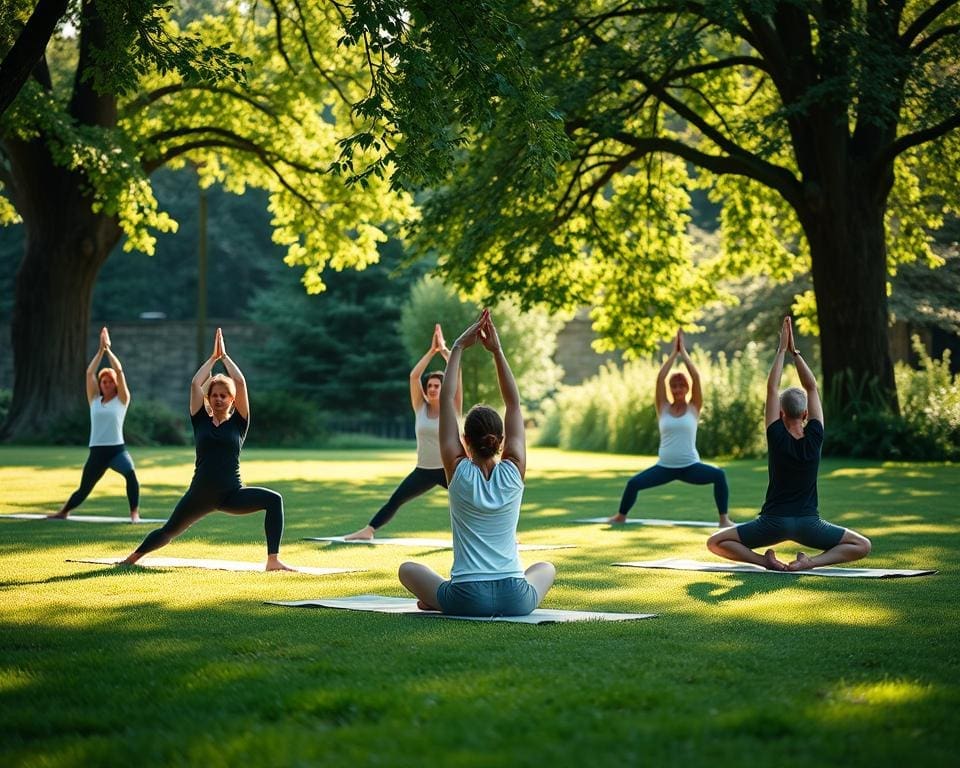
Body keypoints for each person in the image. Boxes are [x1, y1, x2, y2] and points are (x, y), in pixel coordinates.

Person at [398, 309, 556, 616]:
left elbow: (447, 400)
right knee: (545, 567)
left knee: (407, 569)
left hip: (466, 599)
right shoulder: (514, 470)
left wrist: (456, 347)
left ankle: (436, 599)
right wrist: (496, 351)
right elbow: (513, 403)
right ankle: (439, 597)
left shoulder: (457, 470)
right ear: (500, 439)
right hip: (516, 599)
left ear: (465, 440)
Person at [706, 317, 871, 571]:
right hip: (809, 525)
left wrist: (781, 350)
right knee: (863, 545)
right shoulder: (815, 436)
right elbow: (812, 388)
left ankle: (765, 562)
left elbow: (772, 388)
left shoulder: (776, 436)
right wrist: (796, 353)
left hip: (772, 523)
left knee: (716, 542)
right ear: (806, 415)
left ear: (781, 414)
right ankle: (809, 563)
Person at [123, 328, 292, 571]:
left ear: (232, 400)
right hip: (200, 494)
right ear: (209, 398)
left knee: (274, 500)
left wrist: (225, 357)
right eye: (215, 395)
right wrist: (212, 359)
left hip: (231, 494)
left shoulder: (239, 423)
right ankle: (130, 560)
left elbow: (241, 383)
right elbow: (195, 383)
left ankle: (273, 560)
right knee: (168, 531)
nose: (219, 399)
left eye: (224, 395)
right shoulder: (200, 420)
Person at [344, 324, 462, 540]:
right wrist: (431, 351)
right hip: (424, 470)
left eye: (437, 385)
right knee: (397, 499)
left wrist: (444, 350)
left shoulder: (452, 406)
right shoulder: (420, 408)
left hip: (450, 469)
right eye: (430, 386)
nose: (433, 388)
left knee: (474, 501)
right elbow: (414, 376)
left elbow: (457, 372)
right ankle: (368, 530)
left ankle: (504, 535)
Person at [607, 329, 730, 527]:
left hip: (690, 466)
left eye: (681, 386)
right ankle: (621, 516)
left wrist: (684, 354)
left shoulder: (694, 407)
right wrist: (673, 353)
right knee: (633, 484)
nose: (677, 390)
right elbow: (660, 379)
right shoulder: (662, 407)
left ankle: (724, 519)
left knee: (719, 475)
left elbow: (696, 377)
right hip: (664, 467)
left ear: (687, 389)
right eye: (674, 386)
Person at [50, 326, 140, 522]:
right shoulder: (94, 400)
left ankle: (134, 513)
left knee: (131, 474)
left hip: (117, 451)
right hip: (97, 452)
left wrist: (108, 350)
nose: (106, 384)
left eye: (109, 382)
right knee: (84, 488)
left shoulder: (122, 400)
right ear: (100, 385)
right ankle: (63, 512)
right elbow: (89, 372)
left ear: (115, 384)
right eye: (103, 382)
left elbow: (119, 370)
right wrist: (100, 351)